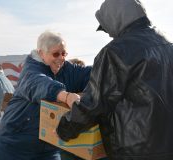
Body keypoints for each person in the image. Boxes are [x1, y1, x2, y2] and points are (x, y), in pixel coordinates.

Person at [56, 0, 173, 160]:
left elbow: (93, 104)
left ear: (116, 19)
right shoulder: (168, 43)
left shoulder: (115, 51)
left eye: (107, 27)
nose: (109, 34)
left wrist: (64, 128)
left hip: (134, 151)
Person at [0, 31, 92, 160]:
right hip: (13, 147)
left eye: (64, 54)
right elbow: (38, 84)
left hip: (48, 148)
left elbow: (92, 74)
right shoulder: (30, 71)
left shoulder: (67, 70)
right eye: (56, 54)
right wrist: (66, 96)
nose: (61, 58)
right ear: (41, 53)